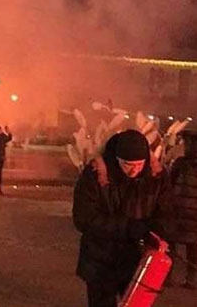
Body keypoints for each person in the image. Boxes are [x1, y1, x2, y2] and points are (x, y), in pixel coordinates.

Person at [72, 129, 173, 307]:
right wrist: (128, 227)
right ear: (117, 159)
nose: (134, 169)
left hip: (137, 259)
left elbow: (166, 212)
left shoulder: (157, 176)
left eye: (139, 164)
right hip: (100, 260)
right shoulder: (95, 174)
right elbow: (84, 218)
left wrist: (158, 233)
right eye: (127, 164)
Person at [169, 129, 197, 289]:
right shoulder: (181, 164)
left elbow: (169, 185)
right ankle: (191, 280)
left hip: (178, 213)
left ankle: (168, 277)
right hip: (194, 218)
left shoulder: (180, 164)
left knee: (171, 247)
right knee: (193, 250)